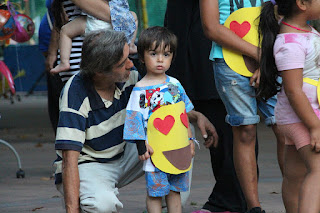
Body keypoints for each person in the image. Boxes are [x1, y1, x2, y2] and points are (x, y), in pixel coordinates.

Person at [54, 29, 218, 212]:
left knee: (181, 137)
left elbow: (160, 106)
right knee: (102, 205)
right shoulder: (75, 94)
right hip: (91, 163)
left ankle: (164, 208)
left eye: (129, 57)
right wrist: (72, 208)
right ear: (100, 71)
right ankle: (88, 196)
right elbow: (69, 159)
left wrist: (196, 116)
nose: (131, 64)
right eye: (123, 62)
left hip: (126, 151)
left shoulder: (130, 76)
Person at [165, 0, 254, 212]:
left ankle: (232, 200)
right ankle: (229, 199)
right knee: (215, 119)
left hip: (220, 42)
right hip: (190, 32)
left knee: (232, 122)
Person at [199, 0, 285, 212]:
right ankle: (253, 208)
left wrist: (268, 60)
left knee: (286, 129)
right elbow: (211, 27)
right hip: (229, 61)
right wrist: (260, 55)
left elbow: (286, 13)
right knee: (245, 130)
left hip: (274, 57)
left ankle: (297, 200)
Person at [123, 26, 195, 213]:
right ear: (142, 56)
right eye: (154, 54)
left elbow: (181, 113)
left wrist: (189, 141)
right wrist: (141, 145)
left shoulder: (173, 85)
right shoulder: (139, 90)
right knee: (155, 192)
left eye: (167, 54)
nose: (160, 60)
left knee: (175, 190)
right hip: (155, 152)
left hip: (177, 148)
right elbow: (134, 119)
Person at [258, 0, 320, 212]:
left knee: (294, 176)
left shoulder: (305, 31)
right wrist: (314, 126)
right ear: (302, 4)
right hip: (303, 118)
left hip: (297, 117)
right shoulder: (290, 42)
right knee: (318, 171)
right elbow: (294, 90)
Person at [50, 0, 138, 74]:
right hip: (91, 56)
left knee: (65, 31)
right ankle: (131, 45)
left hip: (85, 57)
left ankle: (64, 62)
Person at [38, 0, 64, 135]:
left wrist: (53, 51)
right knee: (57, 109)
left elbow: (61, 18)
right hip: (56, 56)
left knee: (64, 109)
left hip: (66, 56)